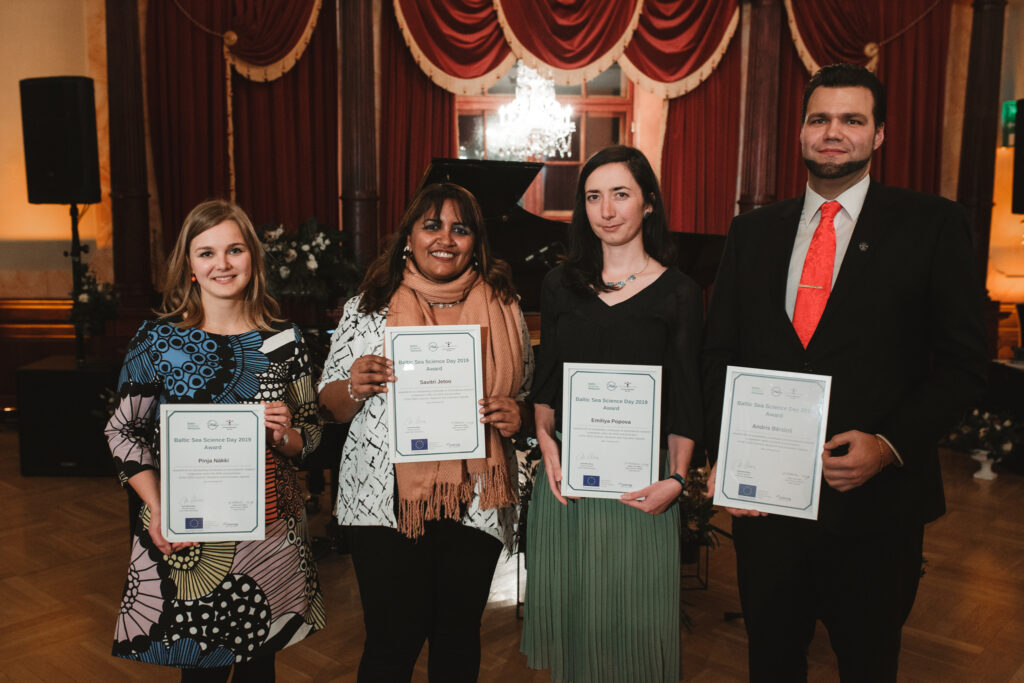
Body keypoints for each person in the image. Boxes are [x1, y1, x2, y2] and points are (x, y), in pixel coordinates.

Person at [703, 63, 988, 681]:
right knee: (771, 662)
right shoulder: (751, 233)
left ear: (879, 134)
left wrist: (888, 446)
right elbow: (718, 353)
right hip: (767, 513)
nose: (834, 132)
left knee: (868, 663)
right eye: (820, 118)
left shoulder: (932, 226)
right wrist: (722, 454)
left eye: (852, 120)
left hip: (877, 513)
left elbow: (967, 365)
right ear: (801, 132)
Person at [318, 182, 534, 682]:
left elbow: (523, 393)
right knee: (392, 643)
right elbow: (329, 406)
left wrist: (516, 413)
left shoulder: (505, 307)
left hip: (477, 499)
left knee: (457, 641)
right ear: (409, 237)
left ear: (475, 241)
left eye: (460, 228)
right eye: (431, 225)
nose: (445, 238)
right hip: (380, 501)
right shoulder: (367, 307)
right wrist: (353, 386)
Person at [105, 199, 324, 681]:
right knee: (199, 671)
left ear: (253, 260)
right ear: (189, 266)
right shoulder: (158, 340)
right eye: (206, 253)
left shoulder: (284, 339)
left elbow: (310, 435)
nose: (222, 264)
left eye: (235, 250)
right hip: (188, 531)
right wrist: (159, 508)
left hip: (268, 530)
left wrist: (285, 433)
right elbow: (123, 431)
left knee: (258, 669)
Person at [521, 145, 703, 682]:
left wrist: (676, 478)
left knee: (636, 635)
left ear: (648, 202)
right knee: (578, 636)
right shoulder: (559, 285)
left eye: (620, 194)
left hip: (642, 486)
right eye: (594, 197)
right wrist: (545, 442)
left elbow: (687, 398)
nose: (606, 210)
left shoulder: (681, 293)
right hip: (569, 483)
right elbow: (546, 381)